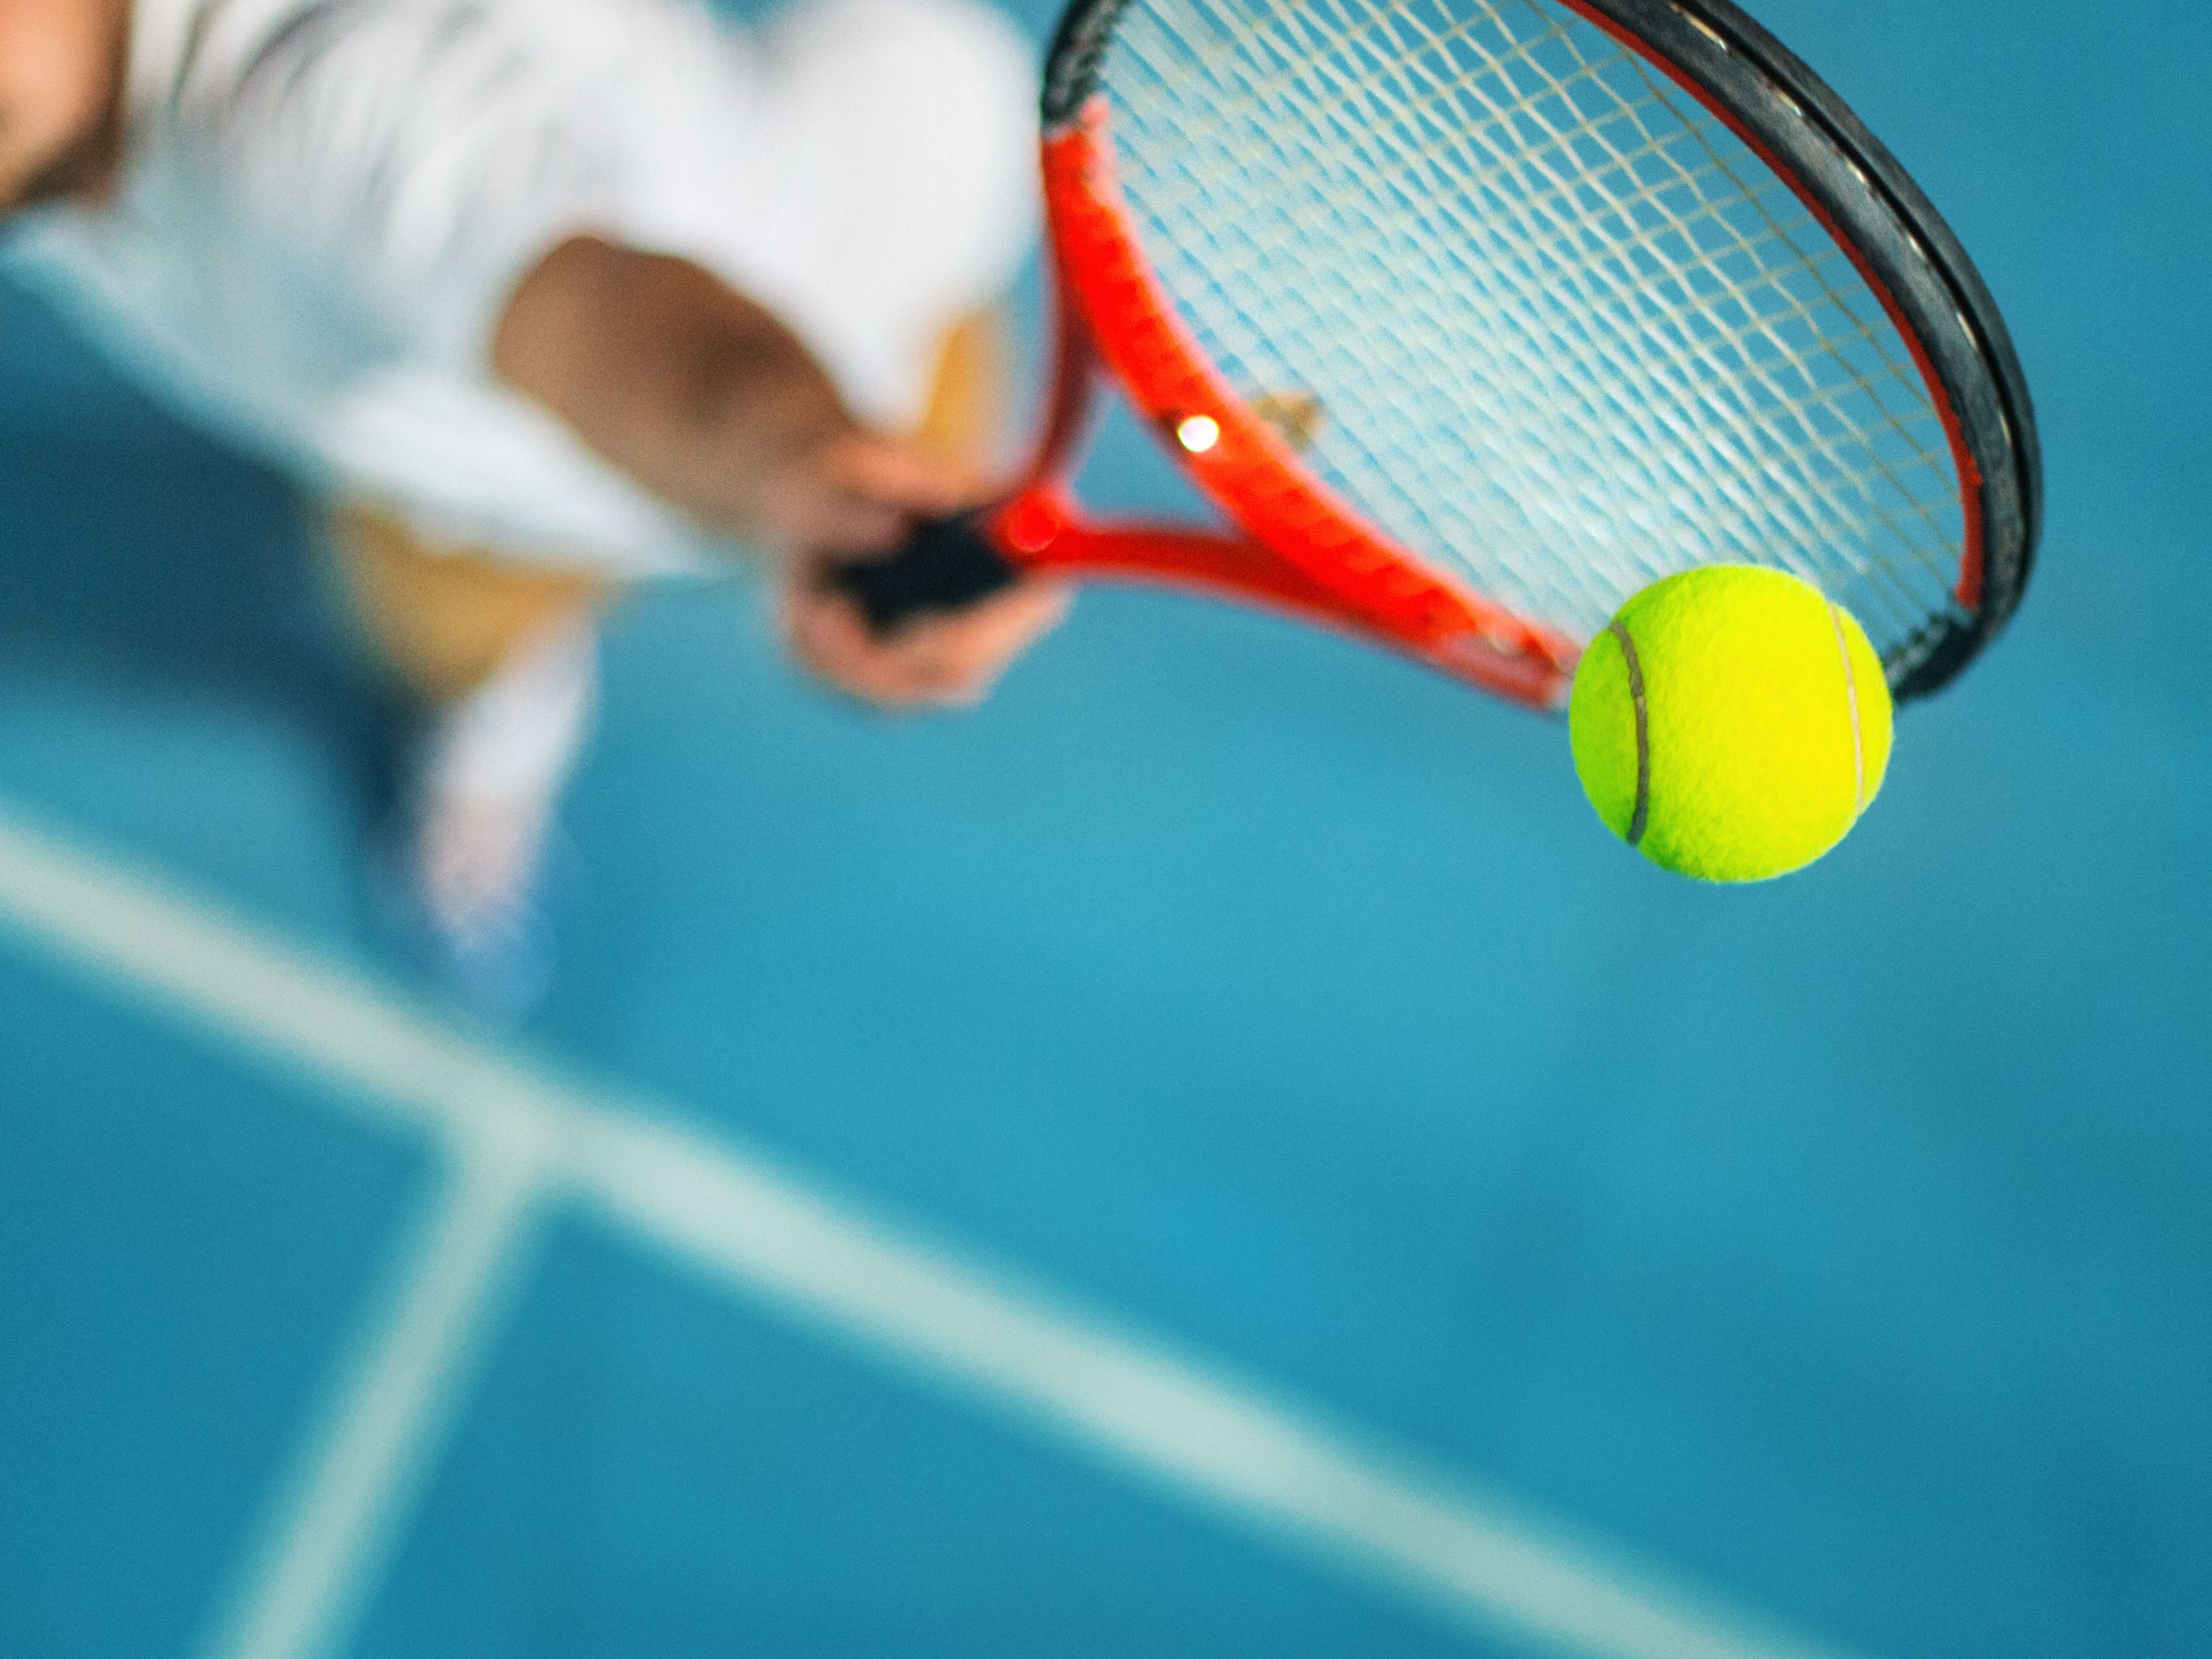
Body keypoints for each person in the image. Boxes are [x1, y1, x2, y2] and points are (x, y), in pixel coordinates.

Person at [0, 0, 1067, 1002]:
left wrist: (803, 458)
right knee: (451, 642)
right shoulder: (45, 111)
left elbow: (612, 321)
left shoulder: (345, 103)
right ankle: (504, 730)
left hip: (852, 335)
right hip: (450, 469)